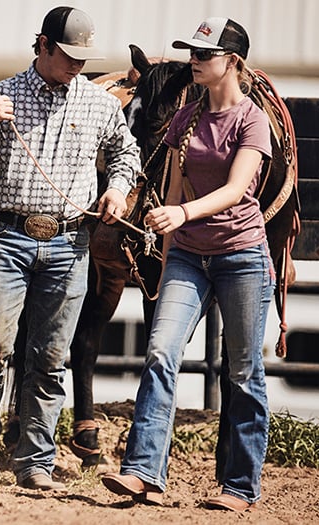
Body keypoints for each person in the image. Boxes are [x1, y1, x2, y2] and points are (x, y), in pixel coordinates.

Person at [0, 6, 140, 491]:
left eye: (84, 56)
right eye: (70, 55)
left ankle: (35, 461)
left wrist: (117, 187)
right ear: (43, 46)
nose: (78, 65)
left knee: (51, 355)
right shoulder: (0, 96)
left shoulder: (100, 105)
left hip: (68, 239)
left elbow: (126, 152)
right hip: (9, 236)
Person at [101, 17, 274, 512]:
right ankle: (143, 473)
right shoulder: (186, 118)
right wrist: (170, 243)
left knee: (242, 370)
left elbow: (236, 190)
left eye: (204, 54)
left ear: (232, 62)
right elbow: (177, 185)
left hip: (241, 255)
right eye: (193, 53)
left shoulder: (251, 120)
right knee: (160, 351)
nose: (194, 61)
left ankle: (239, 486)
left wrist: (180, 213)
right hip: (189, 258)